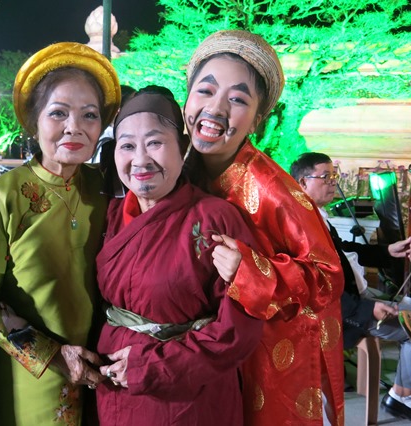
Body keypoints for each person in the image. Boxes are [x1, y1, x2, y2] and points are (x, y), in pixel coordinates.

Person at [183, 30, 345, 425]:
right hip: (203, 350)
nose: (215, 108)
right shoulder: (180, 168)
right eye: (205, 91)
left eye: (237, 100)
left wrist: (250, 271)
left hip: (270, 360)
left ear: (258, 120)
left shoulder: (270, 189)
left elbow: (328, 276)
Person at [0, 42, 121, 426]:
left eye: (89, 115)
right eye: (58, 113)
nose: (74, 127)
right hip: (33, 377)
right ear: (34, 121)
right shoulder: (1, 197)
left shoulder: (108, 189)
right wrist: (50, 355)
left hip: (107, 371)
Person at [94, 86, 263, 425]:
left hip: (188, 395)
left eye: (155, 143)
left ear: (183, 147)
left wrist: (152, 366)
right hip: (113, 388)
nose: (140, 160)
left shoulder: (215, 219)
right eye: (127, 146)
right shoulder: (108, 215)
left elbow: (239, 328)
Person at [290, 151, 411, 420]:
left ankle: (402, 392)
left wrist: (389, 250)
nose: (333, 182)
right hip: (340, 315)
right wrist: (367, 309)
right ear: (302, 182)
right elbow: (316, 288)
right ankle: (401, 396)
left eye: (334, 175)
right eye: (325, 176)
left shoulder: (317, 216)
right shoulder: (299, 225)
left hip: (357, 299)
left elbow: (346, 250)